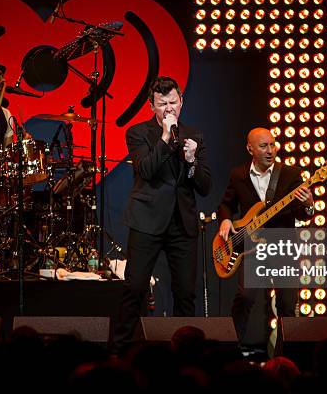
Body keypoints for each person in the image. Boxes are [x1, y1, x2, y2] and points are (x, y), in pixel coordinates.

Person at [113, 76, 212, 351]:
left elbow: (205, 185)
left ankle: (185, 352)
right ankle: (120, 351)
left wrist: (191, 161)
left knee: (185, 292)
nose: (169, 109)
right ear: (152, 106)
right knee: (134, 288)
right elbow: (145, 170)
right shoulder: (138, 133)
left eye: (173, 102)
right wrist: (167, 137)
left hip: (182, 222)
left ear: (182, 102)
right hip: (147, 219)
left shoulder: (195, 136)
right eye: (162, 104)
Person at [217, 128, 314, 343]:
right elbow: (226, 203)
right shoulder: (238, 174)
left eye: (273, 144)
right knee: (244, 299)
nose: (270, 150)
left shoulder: (290, 173)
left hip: (282, 247)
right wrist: (225, 219)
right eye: (264, 146)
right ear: (249, 148)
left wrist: (308, 206)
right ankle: (232, 351)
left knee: (287, 305)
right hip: (252, 248)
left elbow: (302, 214)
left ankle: (287, 355)